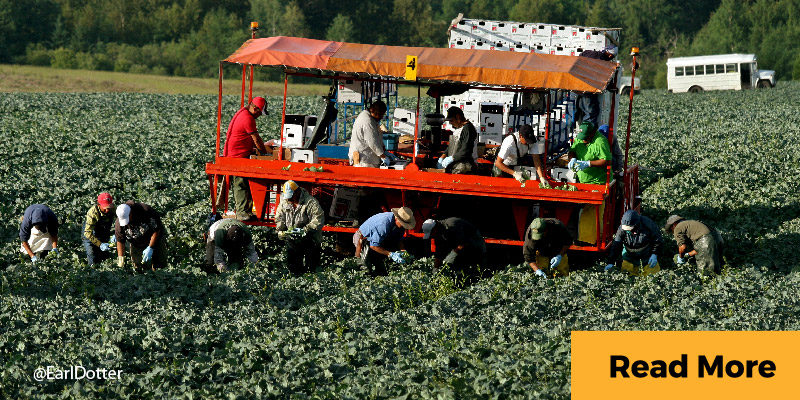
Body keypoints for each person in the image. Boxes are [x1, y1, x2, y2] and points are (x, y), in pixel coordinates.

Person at [222, 96, 269, 221]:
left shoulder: (243, 112)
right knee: (240, 183)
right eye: (259, 112)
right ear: (255, 108)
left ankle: (246, 210)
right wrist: (265, 153)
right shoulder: (247, 118)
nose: (259, 116)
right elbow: (257, 139)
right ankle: (242, 212)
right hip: (237, 156)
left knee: (244, 183)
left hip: (238, 153)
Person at [275, 180, 325, 275]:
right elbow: (279, 217)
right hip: (293, 239)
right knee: (293, 267)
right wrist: (281, 230)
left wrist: (305, 230)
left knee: (311, 268)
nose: (289, 199)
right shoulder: (284, 202)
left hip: (311, 238)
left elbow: (318, 219)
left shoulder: (310, 202)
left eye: (291, 196)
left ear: (297, 192)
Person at [353, 207, 416, 276]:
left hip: (378, 240)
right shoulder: (383, 224)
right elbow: (373, 246)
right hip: (363, 238)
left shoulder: (400, 226)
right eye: (402, 224)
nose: (403, 226)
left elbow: (398, 239)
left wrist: (403, 251)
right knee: (365, 267)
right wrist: (391, 254)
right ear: (396, 219)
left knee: (380, 267)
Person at [604, 210, 662, 276]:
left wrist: (654, 254)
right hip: (629, 256)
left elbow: (657, 239)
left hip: (647, 256)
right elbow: (616, 245)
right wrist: (611, 262)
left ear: (636, 224)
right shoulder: (622, 229)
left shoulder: (648, 224)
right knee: (626, 276)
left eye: (630, 229)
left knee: (653, 275)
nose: (628, 231)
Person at [421, 217, 486, 275]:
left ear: (434, 229)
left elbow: (464, 243)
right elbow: (439, 253)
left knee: (473, 269)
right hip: (461, 246)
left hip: (475, 243)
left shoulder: (452, 224)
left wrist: (453, 254)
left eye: (431, 234)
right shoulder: (439, 234)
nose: (432, 236)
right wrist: (435, 269)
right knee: (456, 266)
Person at [115, 201, 167, 271]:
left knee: (160, 264)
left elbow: (156, 230)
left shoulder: (146, 211)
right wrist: (121, 258)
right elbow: (120, 241)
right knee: (138, 267)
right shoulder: (119, 223)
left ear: (131, 213)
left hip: (155, 238)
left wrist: (150, 247)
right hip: (136, 243)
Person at [576, 46, 617, 126]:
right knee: (591, 115)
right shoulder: (605, 64)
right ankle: (586, 135)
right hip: (588, 92)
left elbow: (577, 61)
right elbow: (606, 81)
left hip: (575, 89)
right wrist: (612, 87)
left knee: (575, 114)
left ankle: (573, 134)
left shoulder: (588, 53)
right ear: (610, 55)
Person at [349, 100, 395, 168]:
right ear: (372, 110)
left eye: (382, 114)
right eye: (379, 114)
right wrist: (383, 156)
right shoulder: (367, 121)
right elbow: (372, 142)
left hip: (368, 159)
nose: (381, 117)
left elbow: (376, 136)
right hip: (364, 161)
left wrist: (384, 151)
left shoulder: (371, 118)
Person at [568, 121, 612, 185]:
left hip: (598, 182)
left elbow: (607, 160)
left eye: (585, 138)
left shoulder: (600, 142)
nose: (583, 140)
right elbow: (572, 151)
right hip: (582, 181)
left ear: (592, 133)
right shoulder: (579, 138)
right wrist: (572, 159)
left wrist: (588, 163)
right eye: (581, 137)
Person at [437, 106, 477, 174]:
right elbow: (451, 146)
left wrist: (452, 159)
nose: (450, 123)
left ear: (458, 117)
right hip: (456, 165)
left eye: (451, 120)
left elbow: (465, 150)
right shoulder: (458, 129)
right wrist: (442, 157)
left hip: (465, 166)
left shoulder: (468, 128)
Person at [83, 192, 116, 266]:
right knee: (92, 255)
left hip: (104, 232)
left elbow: (120, 221)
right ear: (99, 205)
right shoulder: (92, 213)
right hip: (91, 233)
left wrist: (116, 234)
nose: (107, 210)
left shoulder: (113, 208)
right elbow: (87, 233)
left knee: (105, 257)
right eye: (105, 208)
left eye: (109, 207)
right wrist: (100, 244)